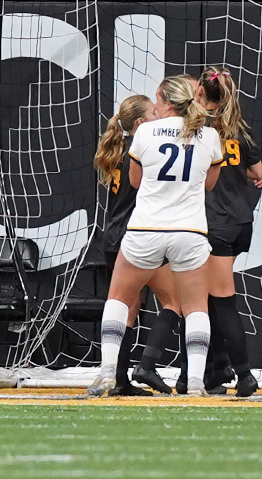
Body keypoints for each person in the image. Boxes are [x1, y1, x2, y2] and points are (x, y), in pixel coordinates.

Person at [87, 76, 224, 397]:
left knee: (118, 299)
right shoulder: (209, 135)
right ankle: (195, 382)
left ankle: (107, 372)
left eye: (158, 100)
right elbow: (209, 184)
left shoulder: (146, 132)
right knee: (195, 307)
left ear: (167, 102)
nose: (156, 105)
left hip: (145, 228)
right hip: (189, 230)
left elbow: (136, 181)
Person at [89, 94, 172, 396]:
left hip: (113, 235)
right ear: (140, 122)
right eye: (153, 113)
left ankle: (120, 378)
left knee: (127, 309)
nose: (158, 117)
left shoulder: (117, 148)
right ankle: (144, 366)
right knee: (175, 302)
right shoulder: (141, 150)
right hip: (135, 236)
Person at [198, 68, 262, 397]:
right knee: (209, 298)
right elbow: (258, 173)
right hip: (240, 220)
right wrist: (239, 174)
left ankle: (244, 374)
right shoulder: (240, 132)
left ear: (201, 95)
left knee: (222, 301)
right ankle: (215, 370)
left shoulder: (200, 132)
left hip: (216, 222)